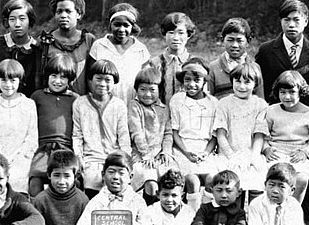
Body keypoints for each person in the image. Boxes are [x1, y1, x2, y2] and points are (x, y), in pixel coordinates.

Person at [253, 71, 309, 225]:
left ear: (301, 92)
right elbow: (263, 135)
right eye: (283, 92)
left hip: (298, 153)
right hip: (276, 152)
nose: (287, 96)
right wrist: (267, 149)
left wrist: (306, 152)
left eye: (292, 92)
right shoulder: (271, 111)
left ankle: (290, 219)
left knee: (301, 178)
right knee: (267, 177)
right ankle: (268, 220)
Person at [72, 60, 131, 198]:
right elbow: (77, 135)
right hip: (90, 158)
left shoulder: (119, 105)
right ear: (91, 80)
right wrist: (78, 157)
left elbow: (123, 137)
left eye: (107, 80)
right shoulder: (80, 103)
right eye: (98, 79)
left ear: (114, 82)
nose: (102, 84)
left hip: (113, 156)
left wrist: (125, 159)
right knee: (92, 180)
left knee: (116, 182)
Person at [169, 57, 219, 208]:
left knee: (212, 178)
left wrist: (205, 152)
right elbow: (175, 132)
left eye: (197, 80)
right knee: (192, 180)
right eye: (187, 80)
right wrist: (186, 152)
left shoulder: (213, 103)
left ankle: (207, 213)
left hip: (205, 150)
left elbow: (214, 135)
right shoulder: (177, 100)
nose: (191, 84)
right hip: (182, 149)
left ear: (204, 82)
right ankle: (193, 213)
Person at [255, 0, 309, 108]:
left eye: (296, 20)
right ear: (281, 21)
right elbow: (259, 83)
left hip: (304, 111)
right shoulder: (266, 50)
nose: (291, 25)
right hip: (274, 111)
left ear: (305, 21)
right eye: (286, 20)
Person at [28, 54, 79, 197]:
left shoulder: (75, 99)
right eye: (54, 76)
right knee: (35, 180)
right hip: (43, 149)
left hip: (66, 148)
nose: (57, 81)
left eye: (63, 77)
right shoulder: (38, 96)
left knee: (73, 179)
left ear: (69, 79)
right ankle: (37, 213)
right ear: (47, 76)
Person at [213, 62, 268, 192]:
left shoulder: (260, 105)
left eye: (247, 82)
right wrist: (232, 156)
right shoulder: (224, 103)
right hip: (228, 154)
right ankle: (236, 211)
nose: (242, 86)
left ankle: (255, 211)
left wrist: (254, 156)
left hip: (251, 152)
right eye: (237, 81)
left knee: (257, 179)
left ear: (255, 84)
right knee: (232, 183)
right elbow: (220, 134)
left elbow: (259, 134)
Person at [0, 59, 38, 194]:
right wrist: (0, 158)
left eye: (13, 80)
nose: (8, 85)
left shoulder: (28, 105)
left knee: (17, 181)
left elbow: (31, 137)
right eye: (3, 80)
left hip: (22, 158)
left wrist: (17, 158)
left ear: (20, 81)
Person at [127, 67, 174, 203]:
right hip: (141, 155)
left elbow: (168, 133)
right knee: (151, 183)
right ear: (136, 90)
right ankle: (147, 211)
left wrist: (166, 152)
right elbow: (136, 132)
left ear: (159, 90)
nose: (147, 94)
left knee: (171, 177)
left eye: (152, 90)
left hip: (159, 155)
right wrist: (146, 155)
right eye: (143, 89)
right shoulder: (134, 106)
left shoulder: (164, 109)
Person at [89, 3, 150, 104]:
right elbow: (90, 77)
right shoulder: (99, 46)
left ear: (132, 26)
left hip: (133, 104)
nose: (121, 29)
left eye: (126, 25)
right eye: (117, 25)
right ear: (110, 25)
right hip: (104, 103)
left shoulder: (140, 49)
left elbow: (146, 80)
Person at [0, 0, 41, 101]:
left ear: (30, 21)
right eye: (12, 19)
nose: (17, 24)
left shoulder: (37, 49)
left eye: (22, 19)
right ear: (7, 22)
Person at [39, 0, 96, 95]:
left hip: (80, 101)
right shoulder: (45, 41)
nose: (63, 15)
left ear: (78, 14)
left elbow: (93, 75)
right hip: (52, 101)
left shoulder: (89, 40)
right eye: (59, 11)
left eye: (68, 11)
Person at [145, 12, 196, 104]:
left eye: (181, 33)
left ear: (188, 35)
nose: (176, 37)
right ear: (164, 34)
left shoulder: (195, 63)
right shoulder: (154, 63)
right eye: (171, 33)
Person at [208, 18, 263, 99]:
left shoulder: (255, 68)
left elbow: (260, 101)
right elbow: (208, 101)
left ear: (248, 41)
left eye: (239, 40)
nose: (235, 45)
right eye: (230, 40)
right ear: (222, 40)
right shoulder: (213, 68)